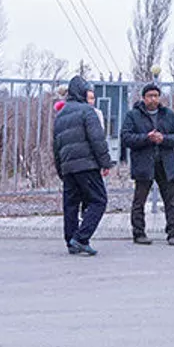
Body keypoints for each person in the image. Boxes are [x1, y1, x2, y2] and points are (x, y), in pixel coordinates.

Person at [52, 74, 113, 255]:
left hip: (68, 168)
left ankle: (71, 241)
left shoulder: (60, 115)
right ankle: (81, 238)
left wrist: (61, 170)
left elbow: (56, 146)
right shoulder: (87, 111)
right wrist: (105, 162)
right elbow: (97, 139)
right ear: (82, 92)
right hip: (87, 165)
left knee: (71, 204)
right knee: (99, 200)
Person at [120, 83, 174, 245]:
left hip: (165, 164)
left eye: (156, 96)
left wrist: (164, 139)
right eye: (150, 96)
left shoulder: (168, 114)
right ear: (143, 98)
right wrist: (146, 138)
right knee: (139, 201)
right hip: (143, 164)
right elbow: (126, 138)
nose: (153, 99)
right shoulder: (133, 115)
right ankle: (139, 233)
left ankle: (172, 233)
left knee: (170, 201)